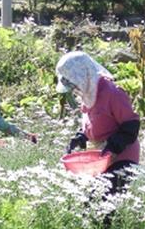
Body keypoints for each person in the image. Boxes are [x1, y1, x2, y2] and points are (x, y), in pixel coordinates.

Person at [56, 51, 140, 197]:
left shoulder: (113, 93)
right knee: (89, 203)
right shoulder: (88, 94)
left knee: (105, 203)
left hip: (121, 155)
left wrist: (112, 148)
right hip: (101, 157)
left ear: (83, 76)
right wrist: (81, 136)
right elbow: (92, 123)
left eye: (72, 83)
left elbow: (131, 125)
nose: (73, 89)